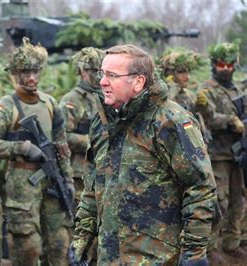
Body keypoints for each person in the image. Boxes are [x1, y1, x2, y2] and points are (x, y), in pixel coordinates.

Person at [71, 44, 216, 264]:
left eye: (112, 75)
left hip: (157, 257)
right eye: (102, 73)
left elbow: (200, 187)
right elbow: (92, 188)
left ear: (138, 82)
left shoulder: (169, 122)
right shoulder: (102, 123)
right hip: (110, 256)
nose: (102, 81)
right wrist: (81, 238)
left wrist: (194, 252)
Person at [0, 37, 74, 265]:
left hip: (53, 181)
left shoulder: (50, 104)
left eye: (35, 71)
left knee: (60, 244)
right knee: (28, 246)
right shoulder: (6, 106)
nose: (31, 77)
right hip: (22, 182)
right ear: (15, 74)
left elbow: (61, 146)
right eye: (25, 72)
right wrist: (21, 147)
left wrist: (68, 180)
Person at [195, 41, 246, 261]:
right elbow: (207, 118)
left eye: (229, 64)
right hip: (217, 154)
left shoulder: (237, 89)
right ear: (214, 65)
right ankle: (211, 247)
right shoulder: (207, 90)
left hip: (238, 154)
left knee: (239, 199)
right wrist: (230, 121)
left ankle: (232, 242)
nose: (225, 68)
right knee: (218, 202)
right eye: (221, 64)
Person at [59, 47, 104, 205]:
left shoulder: (108, 96)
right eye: (94, 71)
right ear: (82, 71)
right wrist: (92, 142)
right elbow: (62, 137)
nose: (99, 76)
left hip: (105, 170)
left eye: (102, 71)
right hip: (80, 171)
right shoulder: (72, 100)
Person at [158, 47, 203, 111]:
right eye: (181, 72)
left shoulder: (188, 95)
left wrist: (203, 107)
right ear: (169, 74)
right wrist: (172, 89)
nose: (187, 77)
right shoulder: (159, 96)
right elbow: (164, 112)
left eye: (187, 72)